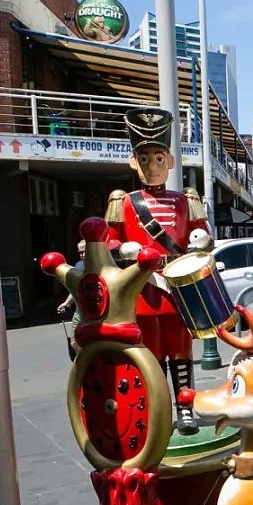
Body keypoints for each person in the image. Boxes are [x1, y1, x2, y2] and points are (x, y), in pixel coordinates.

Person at [105, 108, 213, 435]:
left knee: (180, 353)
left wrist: (200, 239)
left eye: (159, 158)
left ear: (170, 162)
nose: (152, 166)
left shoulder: (185, 200)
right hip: (142, 290)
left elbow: (202, 235)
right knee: (149, 356)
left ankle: (185, 409)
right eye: (145, 159)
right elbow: (109, 241)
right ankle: (155, 409)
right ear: (133, 163)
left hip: (177, 289)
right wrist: (124, 250)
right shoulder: (123, 202)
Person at [57, 240, 87, 356]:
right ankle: (84, 363)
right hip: (80, 311)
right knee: (74, 342)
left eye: (85, 251)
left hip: (99, 310)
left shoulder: (101, 265)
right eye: (80, 252)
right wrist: (67, 303)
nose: (83, 255)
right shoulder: (78, 266)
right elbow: (75, 288)